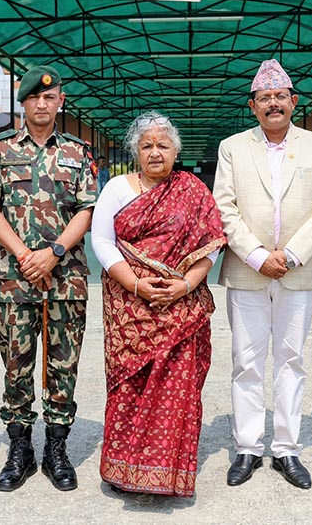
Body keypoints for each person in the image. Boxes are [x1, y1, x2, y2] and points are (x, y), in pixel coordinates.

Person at [213, 60, 312, 490]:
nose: (273, 104)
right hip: (247, 272)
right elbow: (224, 208)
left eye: (280, 96)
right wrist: (254, 254)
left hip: (297, 270)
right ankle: (247, 447)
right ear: (253, 106)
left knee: (291, 360)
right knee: (246, 361)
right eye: (264, 98)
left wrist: (289, 255)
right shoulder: (232, 147)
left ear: (294, 102)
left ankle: (287, 448)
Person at [91, 111, 224, 497]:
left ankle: (167, 473)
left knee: (176, 388)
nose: (154, 152)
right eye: (147, 145)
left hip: (181, 305)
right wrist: (135, 284)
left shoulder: (193, 190)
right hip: (129, 306)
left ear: (175, 151)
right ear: (135, 151)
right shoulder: (117, 188)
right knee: (128, 384)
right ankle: (122, 471)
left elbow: (210, 245)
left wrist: (185, 285)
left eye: (162, 145)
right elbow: (102, 242)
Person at [0, 65, 97, 492]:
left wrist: (54, 253)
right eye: (34, 98)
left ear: (60, 101)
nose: (42, 104)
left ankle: (56, 449)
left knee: (63, 366)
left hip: (66, 279)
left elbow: (87, 209)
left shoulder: (79, 152)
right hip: (15, 278)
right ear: (23, 103)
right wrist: (26, 254)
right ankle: (20, 448)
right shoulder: (0, 149)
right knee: (16, 368)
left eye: (49, 98)